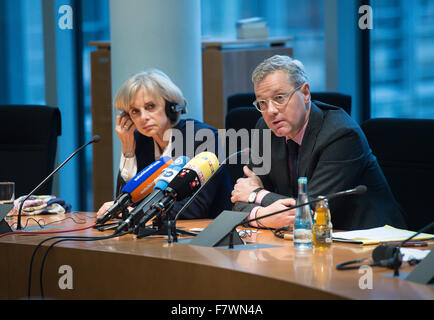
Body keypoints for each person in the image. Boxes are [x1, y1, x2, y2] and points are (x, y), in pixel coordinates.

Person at [231, 55, 407, 231]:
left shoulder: (341, 134)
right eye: (262, 103)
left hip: (370, 242)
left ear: (305, 93)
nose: (270, 111)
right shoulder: (265, 129)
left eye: (279, 98)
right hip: (304, 240)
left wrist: (257, 194)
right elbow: (240, 200)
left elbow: (313, 211)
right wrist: (263, 217)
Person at [97, 69, 232, 220]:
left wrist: (136, 213)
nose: (143, 118)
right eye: (135, 111)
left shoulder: (202, 138)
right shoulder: (141, 141)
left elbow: (194, 208)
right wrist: (128, 152)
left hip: (206, 233)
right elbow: (126, 201)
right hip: (157, 234)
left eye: (150, 107)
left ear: (171, 107)